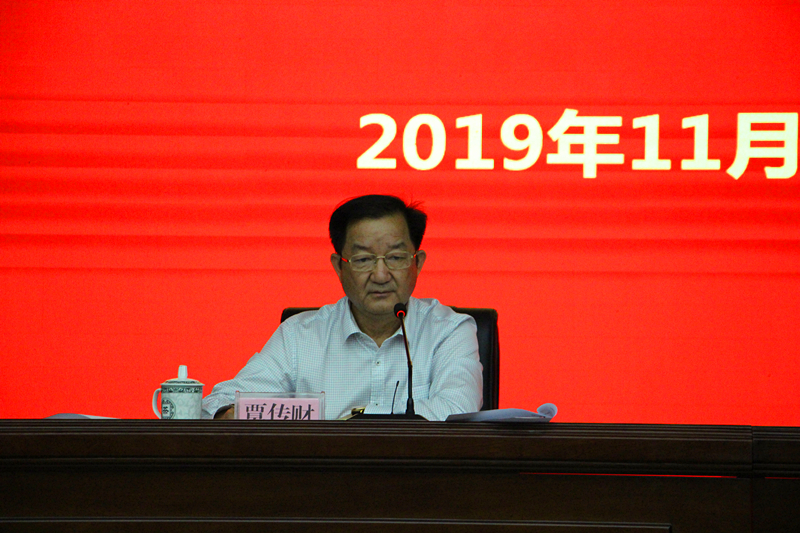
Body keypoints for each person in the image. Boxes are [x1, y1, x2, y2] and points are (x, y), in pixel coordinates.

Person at [202, 195, 482, 420]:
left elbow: (457, 411)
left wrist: (353, 421)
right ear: (339, 267)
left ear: (417, 263)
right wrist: (233, 415)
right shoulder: (300, 336)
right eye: (363, 260)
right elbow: (218, 403)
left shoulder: (449, 330)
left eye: (396, 257)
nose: (381, 275)